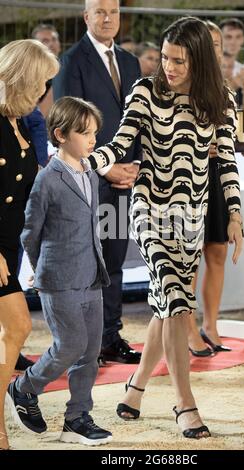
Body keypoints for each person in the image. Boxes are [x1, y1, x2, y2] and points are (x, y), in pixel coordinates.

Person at [88, 17, 243, 438]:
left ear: (199, 61)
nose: (168, 67)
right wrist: (88, 163)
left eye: (179, 60)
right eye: (166, 57)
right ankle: (185, 404)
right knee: (176, 301)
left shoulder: (221, 100)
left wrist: (234, 215)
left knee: (164, 306)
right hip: (149, 210)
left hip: (191, 217)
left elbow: (227, 163)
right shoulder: (143, 91)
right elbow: (121, 143)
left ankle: (135, 388)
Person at [6, 97, 112, 446]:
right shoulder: (47, 179)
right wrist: (39, 269)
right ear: (60, 134)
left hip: (92, 277)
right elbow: (29, 231)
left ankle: (77, 418)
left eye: (94, 132)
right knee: (71, 345)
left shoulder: (92, 173)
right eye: (84, 133)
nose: (92, 139)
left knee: (90, 352)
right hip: (58, 279)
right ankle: (24, 386)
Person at [53, 0, 142, 365]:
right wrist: (105, 168)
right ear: (86, 17)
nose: (108, 18)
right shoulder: (72, 62)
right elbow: (67, 122)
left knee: (115, 259)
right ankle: (84, 342)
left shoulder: (132, 62)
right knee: (88, 263)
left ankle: (109, 337)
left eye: (114, 12)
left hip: (124, 180)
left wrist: (134, 164)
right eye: (100, 11)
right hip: (87, 180)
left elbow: (138, 121)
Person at [0, 39, 58, 451]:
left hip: (8, 242)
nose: (43, 90)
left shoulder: (22, 121)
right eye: (40, 81)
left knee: (14, 329)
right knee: (18, 325)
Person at [187, 21, 244, 357]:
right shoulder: (178, 87)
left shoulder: (225, 92)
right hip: (188, 179)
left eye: (218, 44)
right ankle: (189, 328)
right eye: (209, 43)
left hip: (218, 175)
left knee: (217, 251)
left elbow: (227, 144)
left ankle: (211, 325)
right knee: (190, 257)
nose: (214, 49)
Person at [32, 24, 61, 118]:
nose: (51, 44)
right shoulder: (30, 73)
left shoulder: (67, 66)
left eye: (54, 39)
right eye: (45, 41)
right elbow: (37, 116)